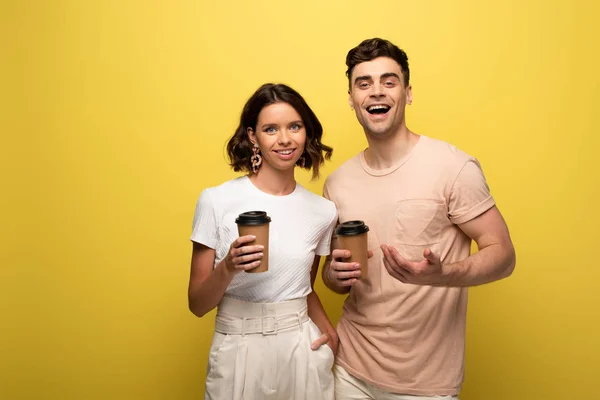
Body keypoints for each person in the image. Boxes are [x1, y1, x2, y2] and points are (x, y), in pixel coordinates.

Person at [322, 38, 517, 399]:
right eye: (363, 83)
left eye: (389, 81)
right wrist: (332, 275)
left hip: (426, 384)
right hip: (349, 369)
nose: (376, 92)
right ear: (351, 98)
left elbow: (503, 254)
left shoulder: (453, 166)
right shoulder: (338, 184)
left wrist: (445, 275)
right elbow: (336, 278)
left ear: (407, 92)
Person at [188, 83, 339, 400]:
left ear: (306, 132)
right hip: (237, 343)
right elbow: (197, 304)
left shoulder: (323, 212)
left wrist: (329, 333)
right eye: (271, 129)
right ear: (253, 136)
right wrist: (228, 266)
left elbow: (303, 287)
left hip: (301, 344)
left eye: (294, 126)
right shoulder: (216, 201)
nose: (285, 139)